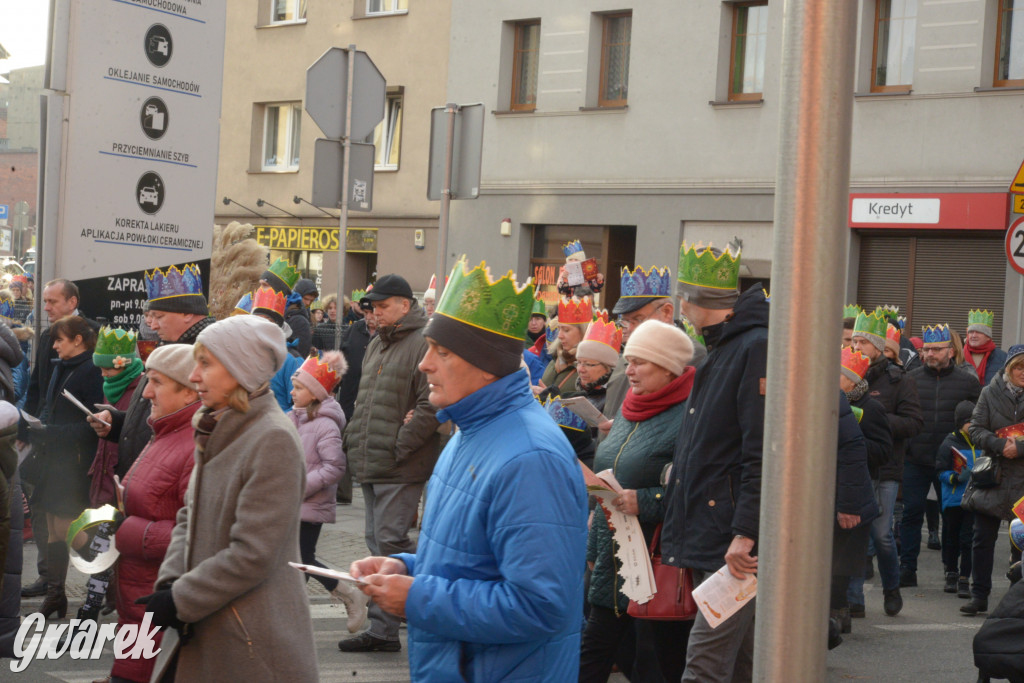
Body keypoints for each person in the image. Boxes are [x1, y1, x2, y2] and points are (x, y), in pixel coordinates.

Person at [349, 258, 588, 682]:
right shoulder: (469, 432)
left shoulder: (531, 458)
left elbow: (539, 605)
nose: (424, 364)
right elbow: (474, 559)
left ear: (485, 366)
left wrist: (417, 598)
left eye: (441, 352)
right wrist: (406, 568)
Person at [143, 315, 318, 682]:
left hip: (249, 643)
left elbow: (253, 553)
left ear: (241, 370)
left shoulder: (272, 438)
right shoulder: (217, 426)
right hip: (207, 628)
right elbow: (188, 517)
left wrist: (180, 600)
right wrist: (171, 583)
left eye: (205, 364)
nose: (193, 376)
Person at [662, 241, 766, 682]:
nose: (681, 305)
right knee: (740, 663)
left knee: (704, 665)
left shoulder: (753, 347)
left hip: (733, 541)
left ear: (706, 302)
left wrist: (746, 532)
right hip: (717, 528)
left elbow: (761, 451)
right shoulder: (724, 347)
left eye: (686, 296)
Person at [579, 320, 695, 682]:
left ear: (669, 368)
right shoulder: (631, 406)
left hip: (655, 558)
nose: (629, 371)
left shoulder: (691, 415)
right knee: (597, 648)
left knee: (654, 660)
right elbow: (615, 469)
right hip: (612, 550)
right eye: (628, 361)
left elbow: (695, 488)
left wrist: (648, 499)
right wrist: (598, 505)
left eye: (640, 362)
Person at [340, 274, 440, 653]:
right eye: (373, 307)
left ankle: (387, 630)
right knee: (377, 543)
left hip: (400, 463)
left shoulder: (420, 343)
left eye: (383, 307)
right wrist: (355, 441)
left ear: (404, 304)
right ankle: (392, 622)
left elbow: (429, 404)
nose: (376, 314)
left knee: (390, 545)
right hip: (374, 458)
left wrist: (401, 446)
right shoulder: (377, 344)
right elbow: (365, 400)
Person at [107, 344, 200, 683]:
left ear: (189, 390)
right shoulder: (164, 431)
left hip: (159, 605)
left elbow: (196, 532)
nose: (146, 392)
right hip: (136, 603)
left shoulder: (195, 444)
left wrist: (127, 530)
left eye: (156, 382)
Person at [90, 263, 214, 480]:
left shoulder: (208, 354)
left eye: (159, 316)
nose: (152, 325)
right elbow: (157, 417)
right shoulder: (170, 345)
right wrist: (118, 422)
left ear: (186, 312)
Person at [287, 353, 369, 633]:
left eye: (298, 387)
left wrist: (300, 486)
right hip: (289, 503)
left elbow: (335, 467)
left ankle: (346, 593)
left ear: (316, 393)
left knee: (302, 559)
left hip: (310, 504)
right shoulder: (294, 419)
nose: (292, 392)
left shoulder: (325, 424)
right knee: (296, 561)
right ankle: (293, 618)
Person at [18, 278, 88, 599]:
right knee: (41, 508)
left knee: (67, 520)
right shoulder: (49, 336)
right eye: (44, 301)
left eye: (52, 302)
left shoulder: (89, 335)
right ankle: (49, 580)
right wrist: (28, 422)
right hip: (44, 436)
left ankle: (103, 572)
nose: (45, 308)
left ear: (72, 302)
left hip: (70, 448)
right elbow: (37, 383)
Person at [850, 308, 922, 617]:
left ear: (879, 348)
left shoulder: (898, 380)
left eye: (862, 343)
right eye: (853, 342)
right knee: (853, 534)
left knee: (880, 534)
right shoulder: (845, 375)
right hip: (853, 466)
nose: (856, 348)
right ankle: (854, 600)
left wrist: (873, 420)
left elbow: (914, 423)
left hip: (886, 467)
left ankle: (891, 587)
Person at [32, 315, 104, 619]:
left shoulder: (91, 370)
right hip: (55, 458)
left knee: (65, 525)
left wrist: (48, 432)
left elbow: (95, 425)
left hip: (74, 461)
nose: (55, 345)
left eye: (60, 339)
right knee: (52, 529)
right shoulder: (64, 367)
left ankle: (103, 566)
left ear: (78, 340)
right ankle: (55, 596)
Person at [901, 324, 980, 587]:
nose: (931, 354)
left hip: (950, 462)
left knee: (952, 517)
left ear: (950, 351)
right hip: (916, 458)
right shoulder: (910, 378)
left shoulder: (967, 382)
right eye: (927, 349)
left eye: (937, 349)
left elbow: (978, 420)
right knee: (911, 514)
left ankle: (952, 569)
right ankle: (907, 569)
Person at [78, 327, 145, 626]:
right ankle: (98, 608)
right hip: (102, 477)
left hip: (123, 481)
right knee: (101, 551)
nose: (103, 375)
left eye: (107, 368)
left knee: (102, 553)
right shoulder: (111, 386)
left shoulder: (141, 389)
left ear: (124, 364)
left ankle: (88, 616)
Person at [961, 345, 1024, 616]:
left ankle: (1016, 599)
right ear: (1009, 368)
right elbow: (974, 428)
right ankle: (979, 595)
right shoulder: (989, 392)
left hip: (1022, 480)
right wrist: (1000, 445)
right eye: (1020, 367)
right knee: (982, 539)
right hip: (994, 477)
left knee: (1019, 542)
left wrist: (1019, 448)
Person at [839, 346, 894, 620]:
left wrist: (855, 442)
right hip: (836, 482)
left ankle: (854, 599)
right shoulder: (826, 402)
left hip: (865, 478)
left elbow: (884, 450)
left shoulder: (871, 408)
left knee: (859, 540)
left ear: (851, 380)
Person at [829, 389, 880, 645]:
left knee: (838, 567)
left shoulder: (830, 395)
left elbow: (853, 448)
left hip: (845, 498)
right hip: (832, 496)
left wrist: (848, 505)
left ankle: (836, 620)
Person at [936, 400, 979, 600]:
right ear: (960, 423)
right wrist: (954, 477)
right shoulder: (949, 443)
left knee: (967, 539)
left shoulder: (983, 441)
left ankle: (964, 578)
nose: (973, 425)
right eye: (969, 421)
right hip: (954, 499)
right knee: (952, 538)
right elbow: (940, 471)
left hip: (974, 499)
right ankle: (951, 573)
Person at [538, 296, 591, 399]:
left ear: (583, 332)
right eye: (559, 329)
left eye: (566, 330)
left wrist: (553, 399)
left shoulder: (590, 367)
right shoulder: (555, 359)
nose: (559, 335)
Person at [964, 310, 1007, 386]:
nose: (973, 335)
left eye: (978, 332)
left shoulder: (1003, 358)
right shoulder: (958, 355)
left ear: (988, 337)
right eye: (971, 332)